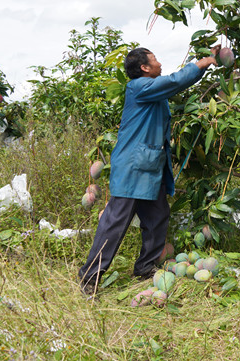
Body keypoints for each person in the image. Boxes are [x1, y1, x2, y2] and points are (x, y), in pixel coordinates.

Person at [79, 46, 218, 295]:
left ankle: (145, 267)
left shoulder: (152, 90)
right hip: (133, 167)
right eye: (155, 60)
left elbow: (175, 84)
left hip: (150, 167)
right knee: (115, 224)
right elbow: (174, 81)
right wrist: (201, 63)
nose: (159, 63)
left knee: (157, 218)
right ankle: (89, 277)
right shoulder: (139, 87)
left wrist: (203, 67)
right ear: (144, 67)